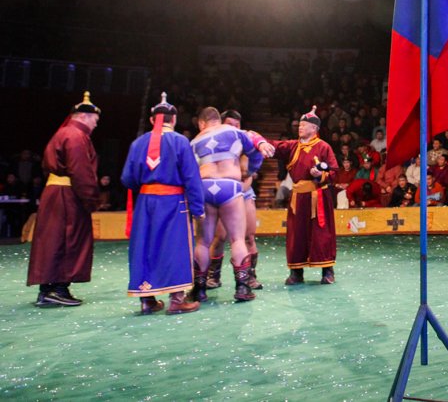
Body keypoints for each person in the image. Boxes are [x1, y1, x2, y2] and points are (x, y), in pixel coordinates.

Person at [121, 93, 205, 315]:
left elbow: (127, 179)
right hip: (173, 202)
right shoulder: (180, 141)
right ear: (174, 119)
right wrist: (198, 208)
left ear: (152, 120)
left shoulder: (138, 143)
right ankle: (177, 301)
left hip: (145, 203)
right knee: (174, 248)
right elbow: (191, 178)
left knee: (144, 247)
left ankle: (146, 300)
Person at [27, 92, 102, 307]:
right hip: (68, 195)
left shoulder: (62, 133)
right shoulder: (76, 136)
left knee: (52, 240)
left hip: (55, 191)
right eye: (95, 120)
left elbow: (46, 167)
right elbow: (81, 172)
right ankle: (58, 288)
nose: (95, 125)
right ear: (84, 117)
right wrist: (91, 199)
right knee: (68, 239)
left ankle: (48, 289)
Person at [189, 107, 269, 302]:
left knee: (203, 242)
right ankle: (242, 288)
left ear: (201, 123)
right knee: (237, 239)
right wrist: (251, 170)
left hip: (204, 187)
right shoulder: (235, 132)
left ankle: (199, 289)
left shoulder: (194, 141)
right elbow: (256, 152)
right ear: (219, 119)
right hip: (230, 185)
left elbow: (188, 173)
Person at [269, 107, 340, 285]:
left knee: (322, 234)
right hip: (298, 197)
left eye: (304, 125)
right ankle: (296, 272)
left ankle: (327, 270)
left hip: (319, 196)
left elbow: (334, 171)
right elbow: (274, 146)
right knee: (296, 234)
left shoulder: (324, 147)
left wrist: (320, 175)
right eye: (299, 125)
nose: (300, 127)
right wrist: (256, 141)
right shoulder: (292, 146)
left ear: (314, 128)